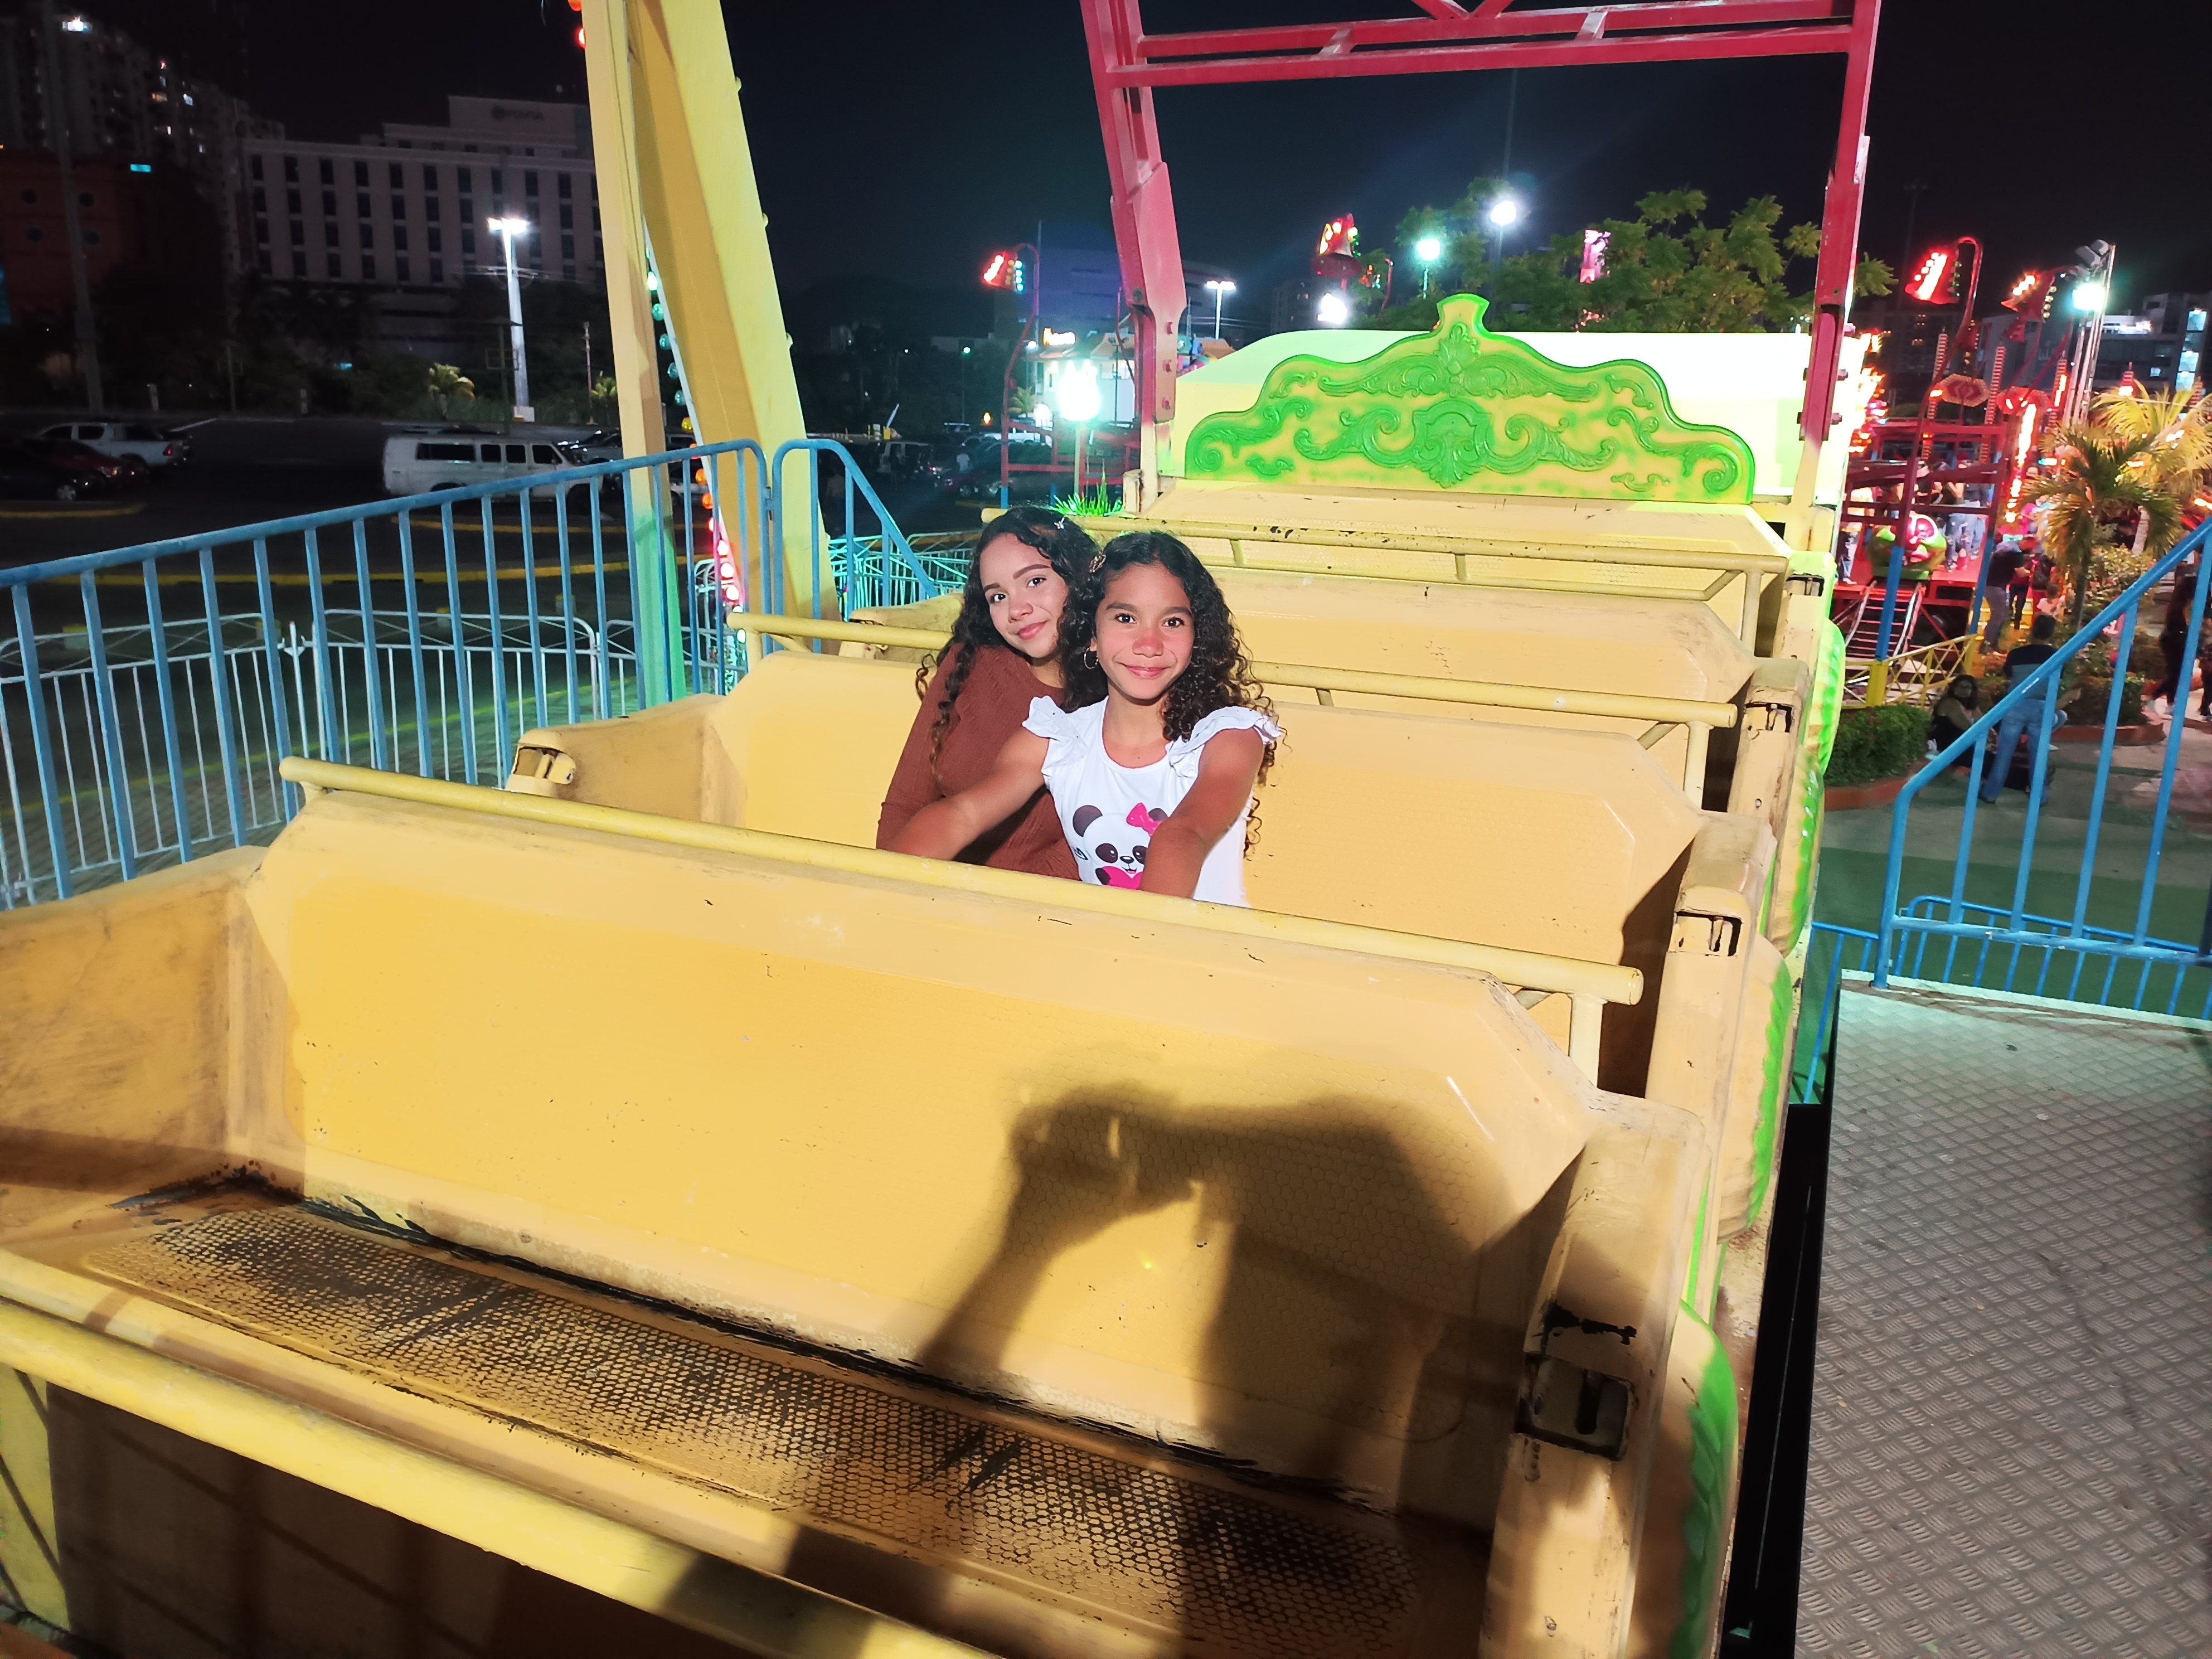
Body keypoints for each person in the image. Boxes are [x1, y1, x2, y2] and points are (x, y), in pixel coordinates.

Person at [895, 531, 1279, 905]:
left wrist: (1138, 938)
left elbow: (1182, 834)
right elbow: (963, 814)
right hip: (1101, 940)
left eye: (1173, 622)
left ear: (1197, 637)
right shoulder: (1058, 738)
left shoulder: (1227, 737)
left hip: (1198, 943)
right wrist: (888, 890)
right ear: (1091, 633)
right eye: (1125, 618)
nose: (1149, 644)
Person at [875, 508, 1098, 876]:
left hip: (1034, 906)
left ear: (1080, 578)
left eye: (1035, 581)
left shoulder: (1119, 699)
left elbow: (1086, 859)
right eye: (998, 597)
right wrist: (887, 889)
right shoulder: (971, 662)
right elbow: (905, 802)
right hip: (927, 886)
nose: (1017, 610)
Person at [1979, 614, 2067, 803]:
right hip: (2042, 707)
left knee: (2004, 753)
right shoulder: (2058, 656)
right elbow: (2058, 681)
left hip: (2016, 705)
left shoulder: (2017, 654)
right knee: (2038, 755)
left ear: (2033, 630)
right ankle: (2039, 797)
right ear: (2052, 633)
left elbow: (2009, 675)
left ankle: (1991, 793)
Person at [1980, 539, 2024, 645]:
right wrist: (2031, 573)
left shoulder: (2004, 548)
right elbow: (2021, 573)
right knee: (1998, 617)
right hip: (1996, 587)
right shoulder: (2015, 553)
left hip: (1993, 585)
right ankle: (1988, 643)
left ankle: (1991, 641)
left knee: (2001, 615)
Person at [1929, 675, 1981, 763]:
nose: (1963, 689)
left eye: (1967, 687)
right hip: (1949, 747)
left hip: (1963, 746)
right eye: (1960, 686)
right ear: (1954, 688)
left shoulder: (1973, 707)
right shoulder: (1949, 703)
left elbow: (1983, 723)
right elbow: (1965, 726)